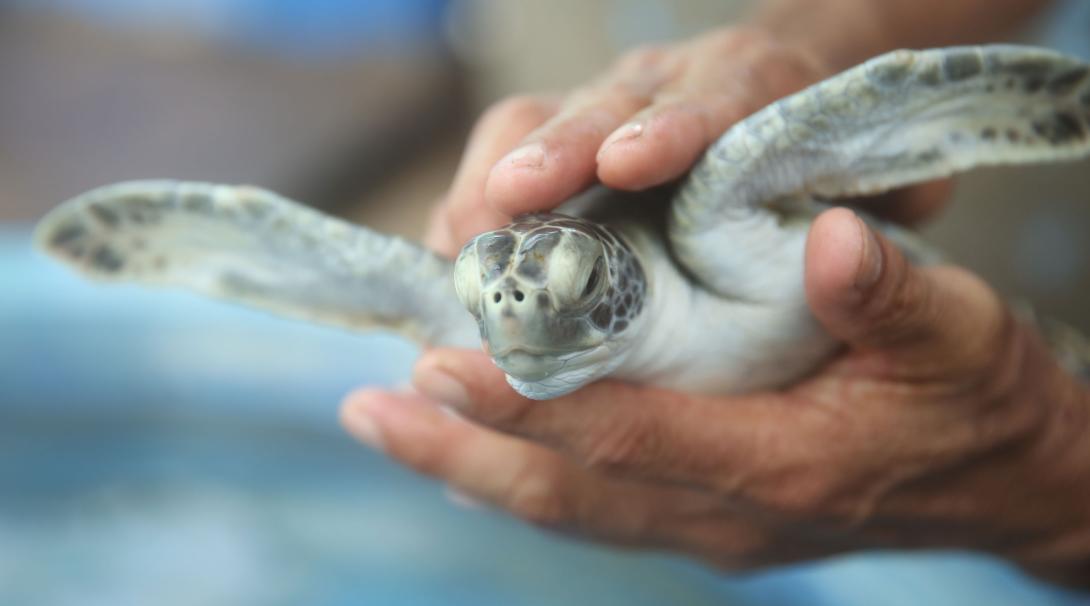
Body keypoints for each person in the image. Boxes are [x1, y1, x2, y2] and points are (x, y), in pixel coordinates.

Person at [340, 0, 1089, 588]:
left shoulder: (720, 229)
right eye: (484, 295)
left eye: (579, 285)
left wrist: (1061, 485)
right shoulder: (508, 306)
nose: (511, 313)